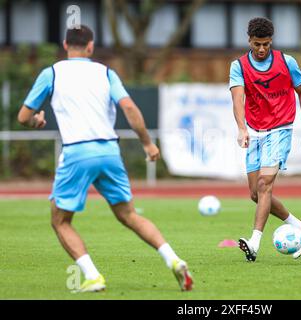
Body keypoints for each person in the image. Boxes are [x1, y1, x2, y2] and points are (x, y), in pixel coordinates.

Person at [17, 25, 193, 292]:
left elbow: (23, 117)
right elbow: (129, 107)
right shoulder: (105, 72)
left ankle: (93, 276)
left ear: (65, 45)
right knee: (129, 215)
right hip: (110, 151)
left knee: (60, 220)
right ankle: (174, 259)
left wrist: (36, 121)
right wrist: (147, 143)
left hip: (77, 151)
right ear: (90, 47)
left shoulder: (51, 72)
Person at [229, 17, 301, 262]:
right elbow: (237, 99)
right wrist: (241, 128)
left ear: (271, 42)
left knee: (265, 184)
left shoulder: (287, 62)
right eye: (257, 44)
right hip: (254, 131)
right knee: (256, 194)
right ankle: (300, 226)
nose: (261, 49)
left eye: (266, 44)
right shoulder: (238, 66)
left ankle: (254, 242)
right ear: (249, 41)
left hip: (281, 129)